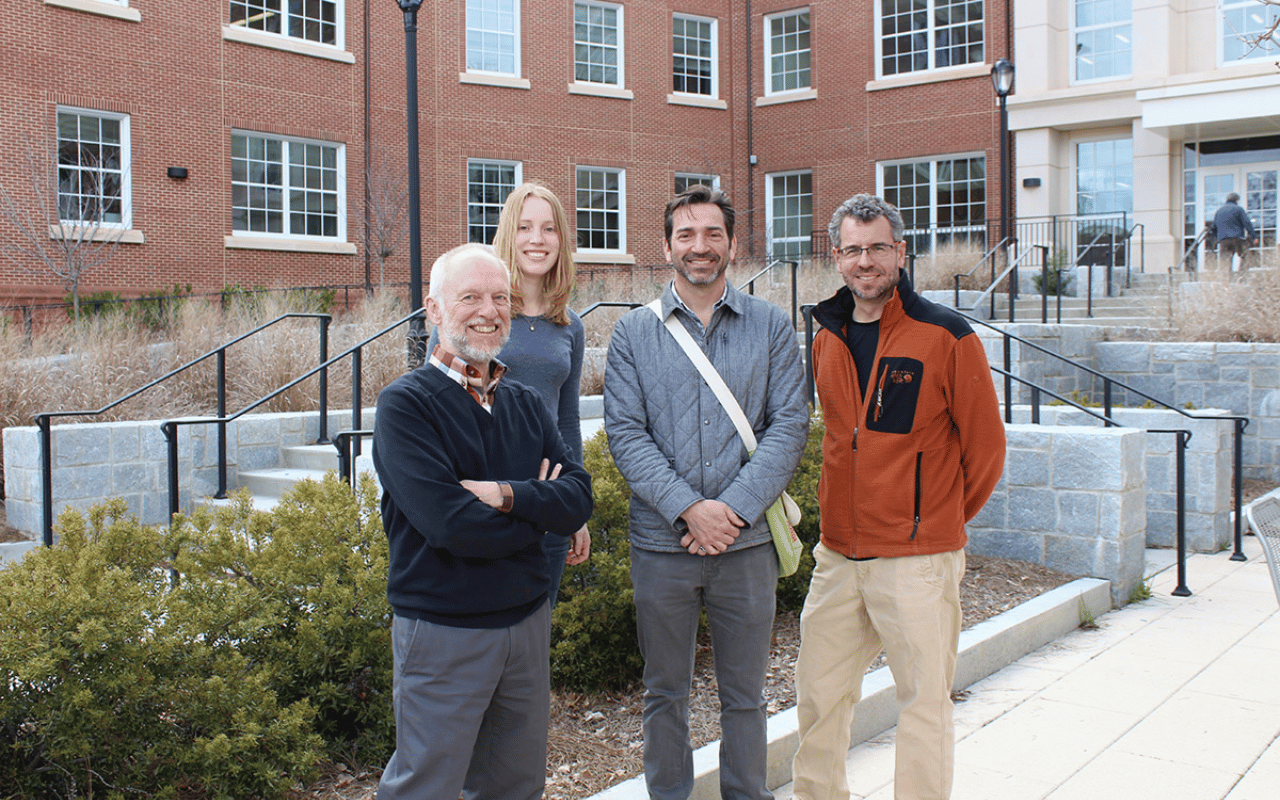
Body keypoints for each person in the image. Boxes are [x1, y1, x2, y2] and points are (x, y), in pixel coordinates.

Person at [791, 194, 1006, 800]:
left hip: (916, 561)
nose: (866, 261)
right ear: (836, 258)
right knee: (818, 695)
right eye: (853, 250)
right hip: (838, 556)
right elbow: (840, 436)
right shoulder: (827, 335)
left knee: (923, 704)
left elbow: (986, 448)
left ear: (900, 252)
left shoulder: (945, 334)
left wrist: (932, 522)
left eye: (878, 248)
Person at [603, 184, 809, 800]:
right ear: (666, 246)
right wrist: (690, 510)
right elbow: (626, 434)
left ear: (733, 244)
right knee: (664, 693)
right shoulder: (632, 334)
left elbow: (790, 426)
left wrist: (734, 512)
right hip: (661, 547)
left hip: (746, 550)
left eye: (713, 234)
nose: (700, 246)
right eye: (687, 234)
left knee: (745, 695)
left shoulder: (771, 326)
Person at [373, 243, 594, 800]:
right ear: (433, 309)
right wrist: (539, 509)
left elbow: (579, 498)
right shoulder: (405, 407)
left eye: (500, 298)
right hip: (445, 630)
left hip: (526, 622)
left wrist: (502, 495)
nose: (488, 310)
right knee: (427, 785)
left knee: (515, 787)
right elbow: (454, 528)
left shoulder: (525, 402)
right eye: (469, 296)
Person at [430, 181, 590, 600]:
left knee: (534, 637)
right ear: (507, 235)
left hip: (545, 499)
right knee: (477, 635)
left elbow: (567, 419)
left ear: (562, 240)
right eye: (524, 227)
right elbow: (435, 406)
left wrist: (575, 506)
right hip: (481, 498)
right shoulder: (474, 314)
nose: (537, 239)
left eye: (549, 228)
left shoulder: (570, 325)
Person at [1213, 192, 1258, 273]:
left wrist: (1217, 239)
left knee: (1225, 262)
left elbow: (1214, 227)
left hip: (1224, 241)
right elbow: (1247, 223)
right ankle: (1242, 275)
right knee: (1246, 256)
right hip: (1237, 238)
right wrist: (1253, 236)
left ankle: (1226, 281)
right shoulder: (1238, 209)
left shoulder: (1219, 211)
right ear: (1237, 200)